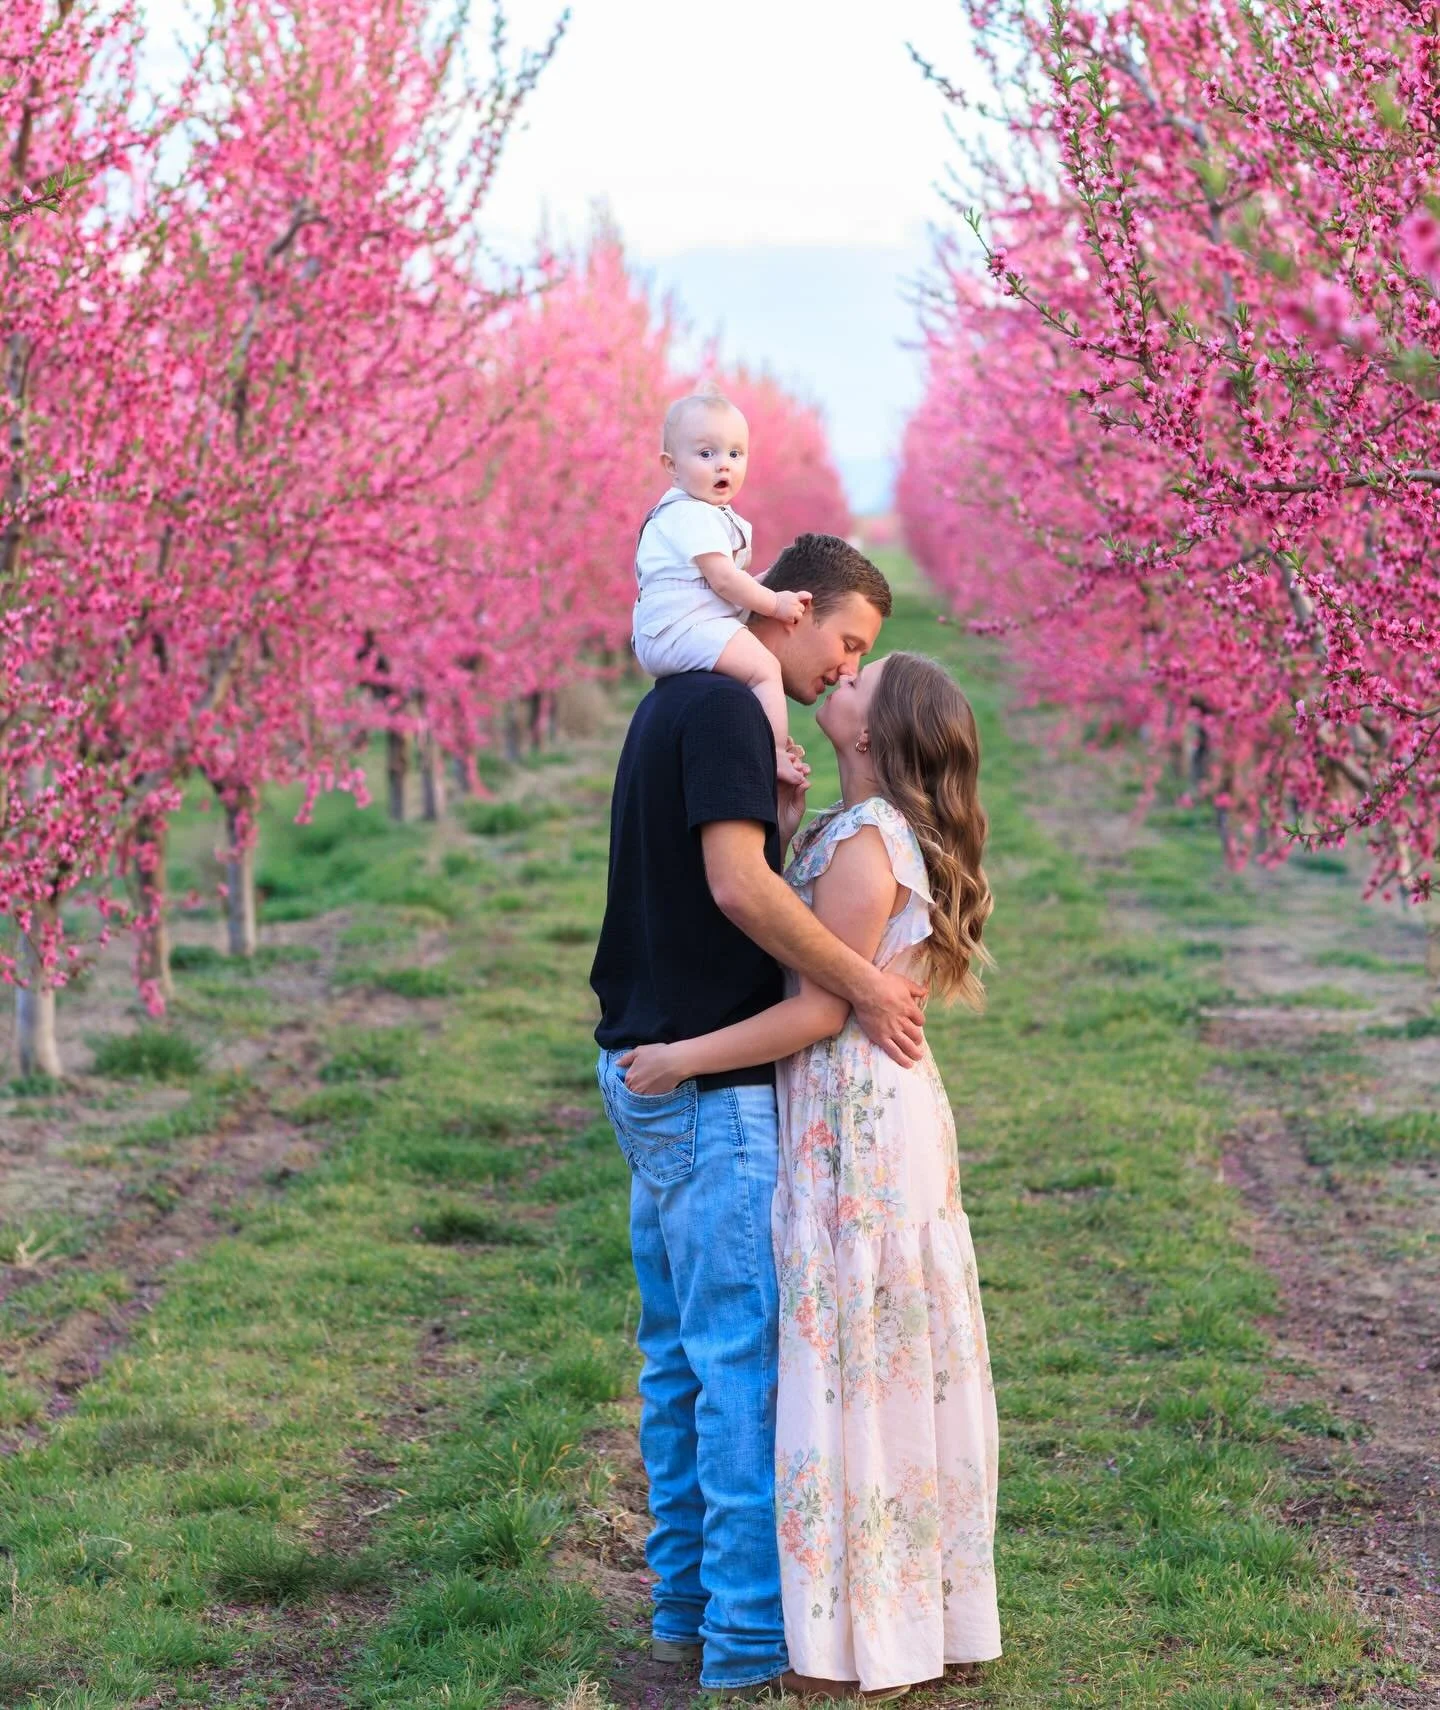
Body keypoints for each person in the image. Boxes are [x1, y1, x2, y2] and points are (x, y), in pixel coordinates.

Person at [621, 652, 1003, 1698]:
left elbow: (821, 1004)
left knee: (854, 1367)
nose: (839, 671)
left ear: (873, 734)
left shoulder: (871, 844)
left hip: (855, 1119)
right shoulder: (846, 833)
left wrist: (686, 1058)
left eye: (861, 675)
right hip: (844, 1106)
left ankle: (861, 1630)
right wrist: (788, 820)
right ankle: (863, 1609)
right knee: (853, 1361)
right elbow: (811, 954)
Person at [591, 535, 926, 1700]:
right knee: (737, 1374)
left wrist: (779, 823)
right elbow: (736, 891)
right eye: (846, 643)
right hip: (708, 1093)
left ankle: (682, 1611)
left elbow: (710, 884)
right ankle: (741, 1648)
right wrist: (866, 979)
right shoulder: (735, 710)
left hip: (642, 1058)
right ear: (799, 610)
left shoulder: (675, 700)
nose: (843, 673)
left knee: (675, 1367)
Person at [632, 389, 812, 785]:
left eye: (735, 454)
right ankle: (775, 753)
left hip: (672, 628)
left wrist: (768, 586)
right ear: (672, 465)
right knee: (765, 669)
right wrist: (773, 605)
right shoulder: (689, 513)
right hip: (679, 629)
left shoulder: (699, 513)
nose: (723, 466)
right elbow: (725, 580)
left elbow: (728, 582)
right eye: (706, 454)